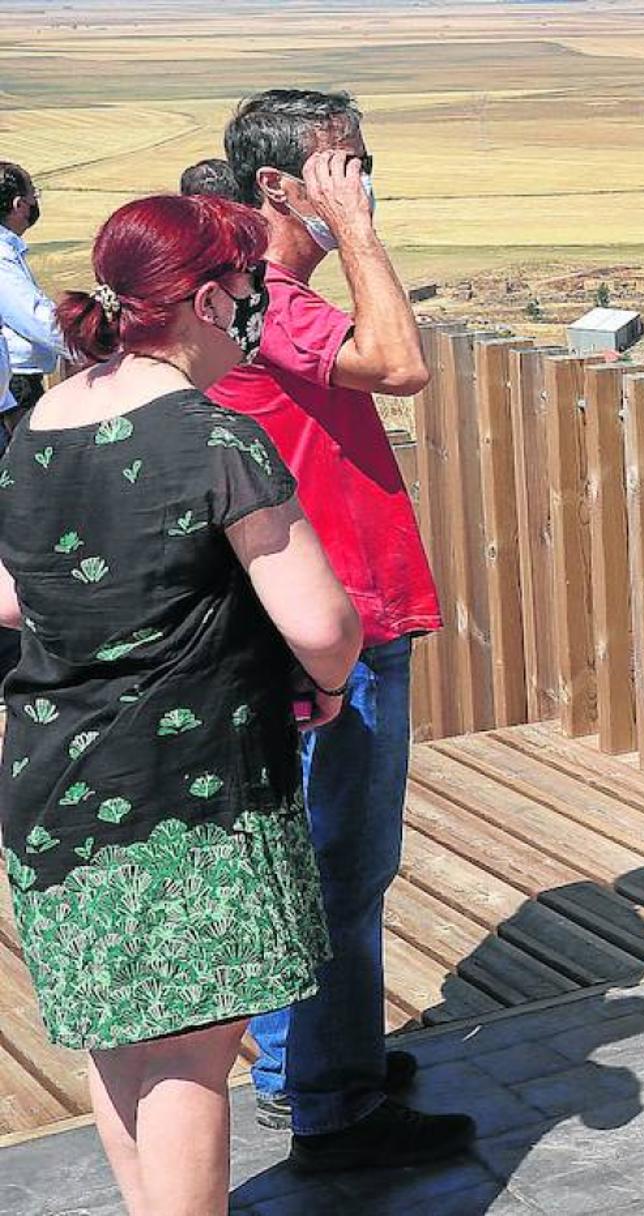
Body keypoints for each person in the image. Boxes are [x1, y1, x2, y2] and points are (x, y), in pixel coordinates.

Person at [0, 193, 361, 1216]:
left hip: (50, 788)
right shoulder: (214, 438)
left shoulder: (37, 425)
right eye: (248, 288)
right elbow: (323, 623)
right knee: (191, 1058)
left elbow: (11, 598)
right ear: (206, 299)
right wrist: (328, 687)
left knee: (121, 1045)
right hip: (187, 795)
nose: (254, 308)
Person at [209, 88, 471, 1170]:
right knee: (344, 871)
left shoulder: (247, 297)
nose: (366, 181)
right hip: (340, 628)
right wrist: (357, 233)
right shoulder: (271, 302)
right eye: (345, 165)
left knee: (315, 860)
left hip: (318, 620)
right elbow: (400, 364)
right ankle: (334, 1106)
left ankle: (305, 1063)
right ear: (279, 186)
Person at [0, 162, 69, 435]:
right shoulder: (2, 259)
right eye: (33, 196)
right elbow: (33, 316)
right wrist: (85, 340)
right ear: (19, 205)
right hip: (14, 383)